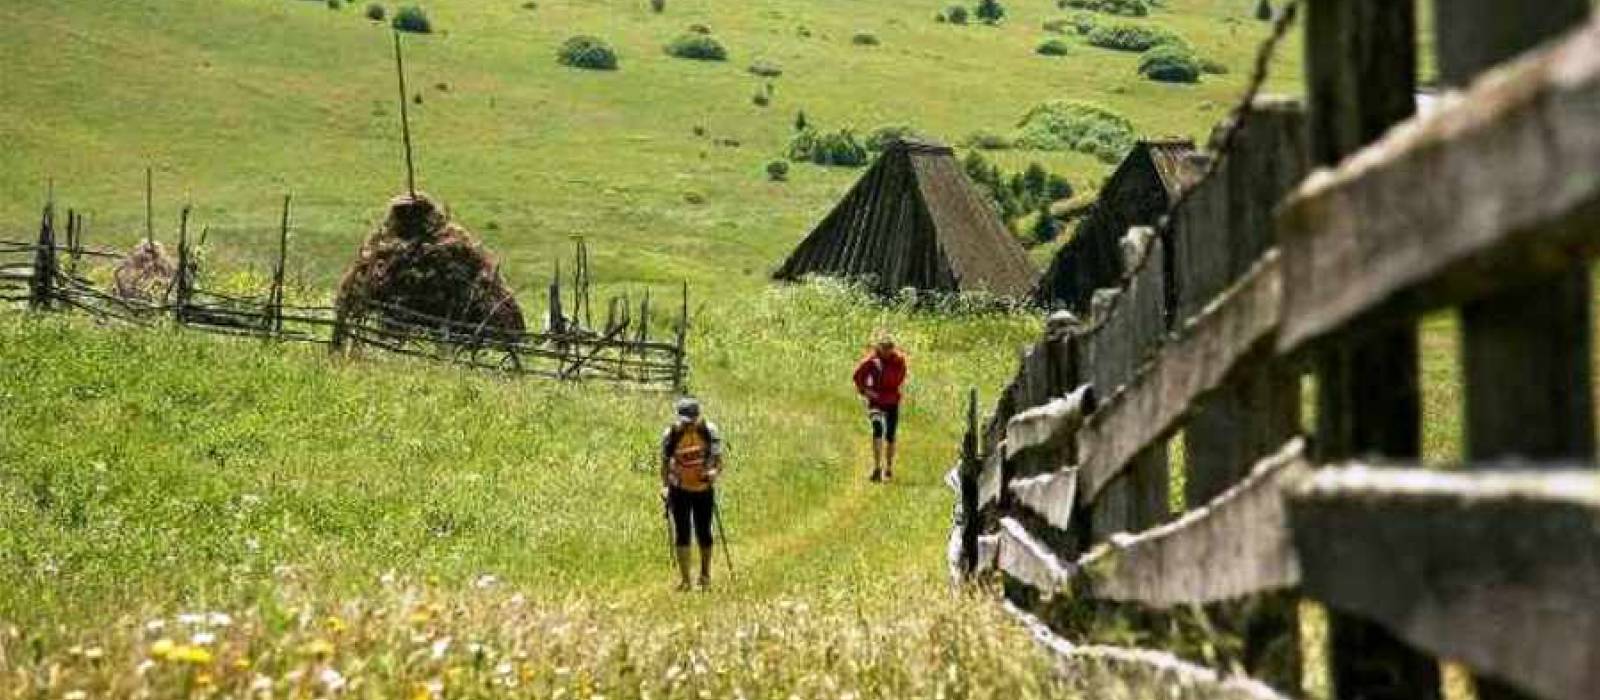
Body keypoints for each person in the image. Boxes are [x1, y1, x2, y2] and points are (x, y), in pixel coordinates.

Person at [660, 397, 724, 591]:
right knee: (682, 533)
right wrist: (664, 486)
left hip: (703, 488)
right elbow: (664, 463)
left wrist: (714, 472)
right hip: (679, 489)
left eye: (692, 420)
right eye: (685, 420)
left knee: (704, 532)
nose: (688, 424)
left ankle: (705, 576)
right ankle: (686, 580)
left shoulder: (709, 431)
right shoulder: (671, 434)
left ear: (698, 416)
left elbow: (718, 460)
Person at [852, 333, 907, 483]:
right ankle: (877, 468)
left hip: (892, 401)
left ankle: (888, 468)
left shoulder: (899, 361)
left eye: (889, 348)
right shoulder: (872, 360)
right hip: (876, 402)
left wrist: (887, 389)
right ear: (879, 348)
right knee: (877, 429)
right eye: (884, 348)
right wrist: (866, 390)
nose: (886, 351)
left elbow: (899, 378)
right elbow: (857, 376)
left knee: (890, 434)